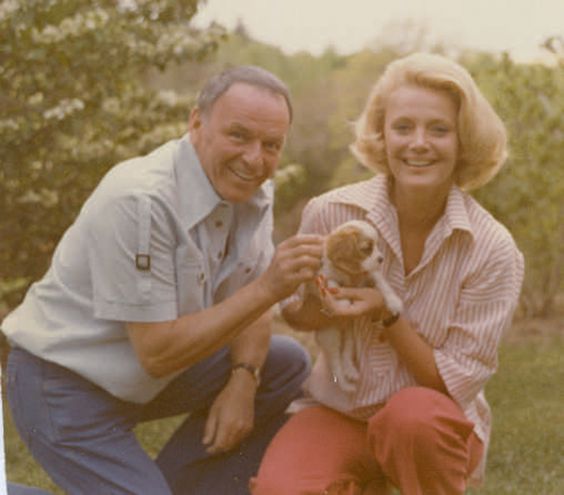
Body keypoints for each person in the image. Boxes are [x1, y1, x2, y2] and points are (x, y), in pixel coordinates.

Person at [1, 65, 324, 494]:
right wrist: (269, 288)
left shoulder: (250, 191)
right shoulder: (141, 200)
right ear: (196, 123)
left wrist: (243, 379)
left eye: (271, 145)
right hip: (61, 384)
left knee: (284, 363)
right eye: (239, 136)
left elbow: (250, 305)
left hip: (140, 377)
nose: (254, 159)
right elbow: (158, 352)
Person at [251, 53, 525, 495]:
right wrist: (321, 303)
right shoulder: (330, 211)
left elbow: (454, 385)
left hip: (430, 428)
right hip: (341, 410)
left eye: (439, 129)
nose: (418, 143)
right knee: (280, 489)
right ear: (382, 135)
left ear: (464, 141)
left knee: (411, 418)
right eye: (403, 127)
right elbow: (298, 317)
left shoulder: (492, 249)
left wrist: (387, 315)